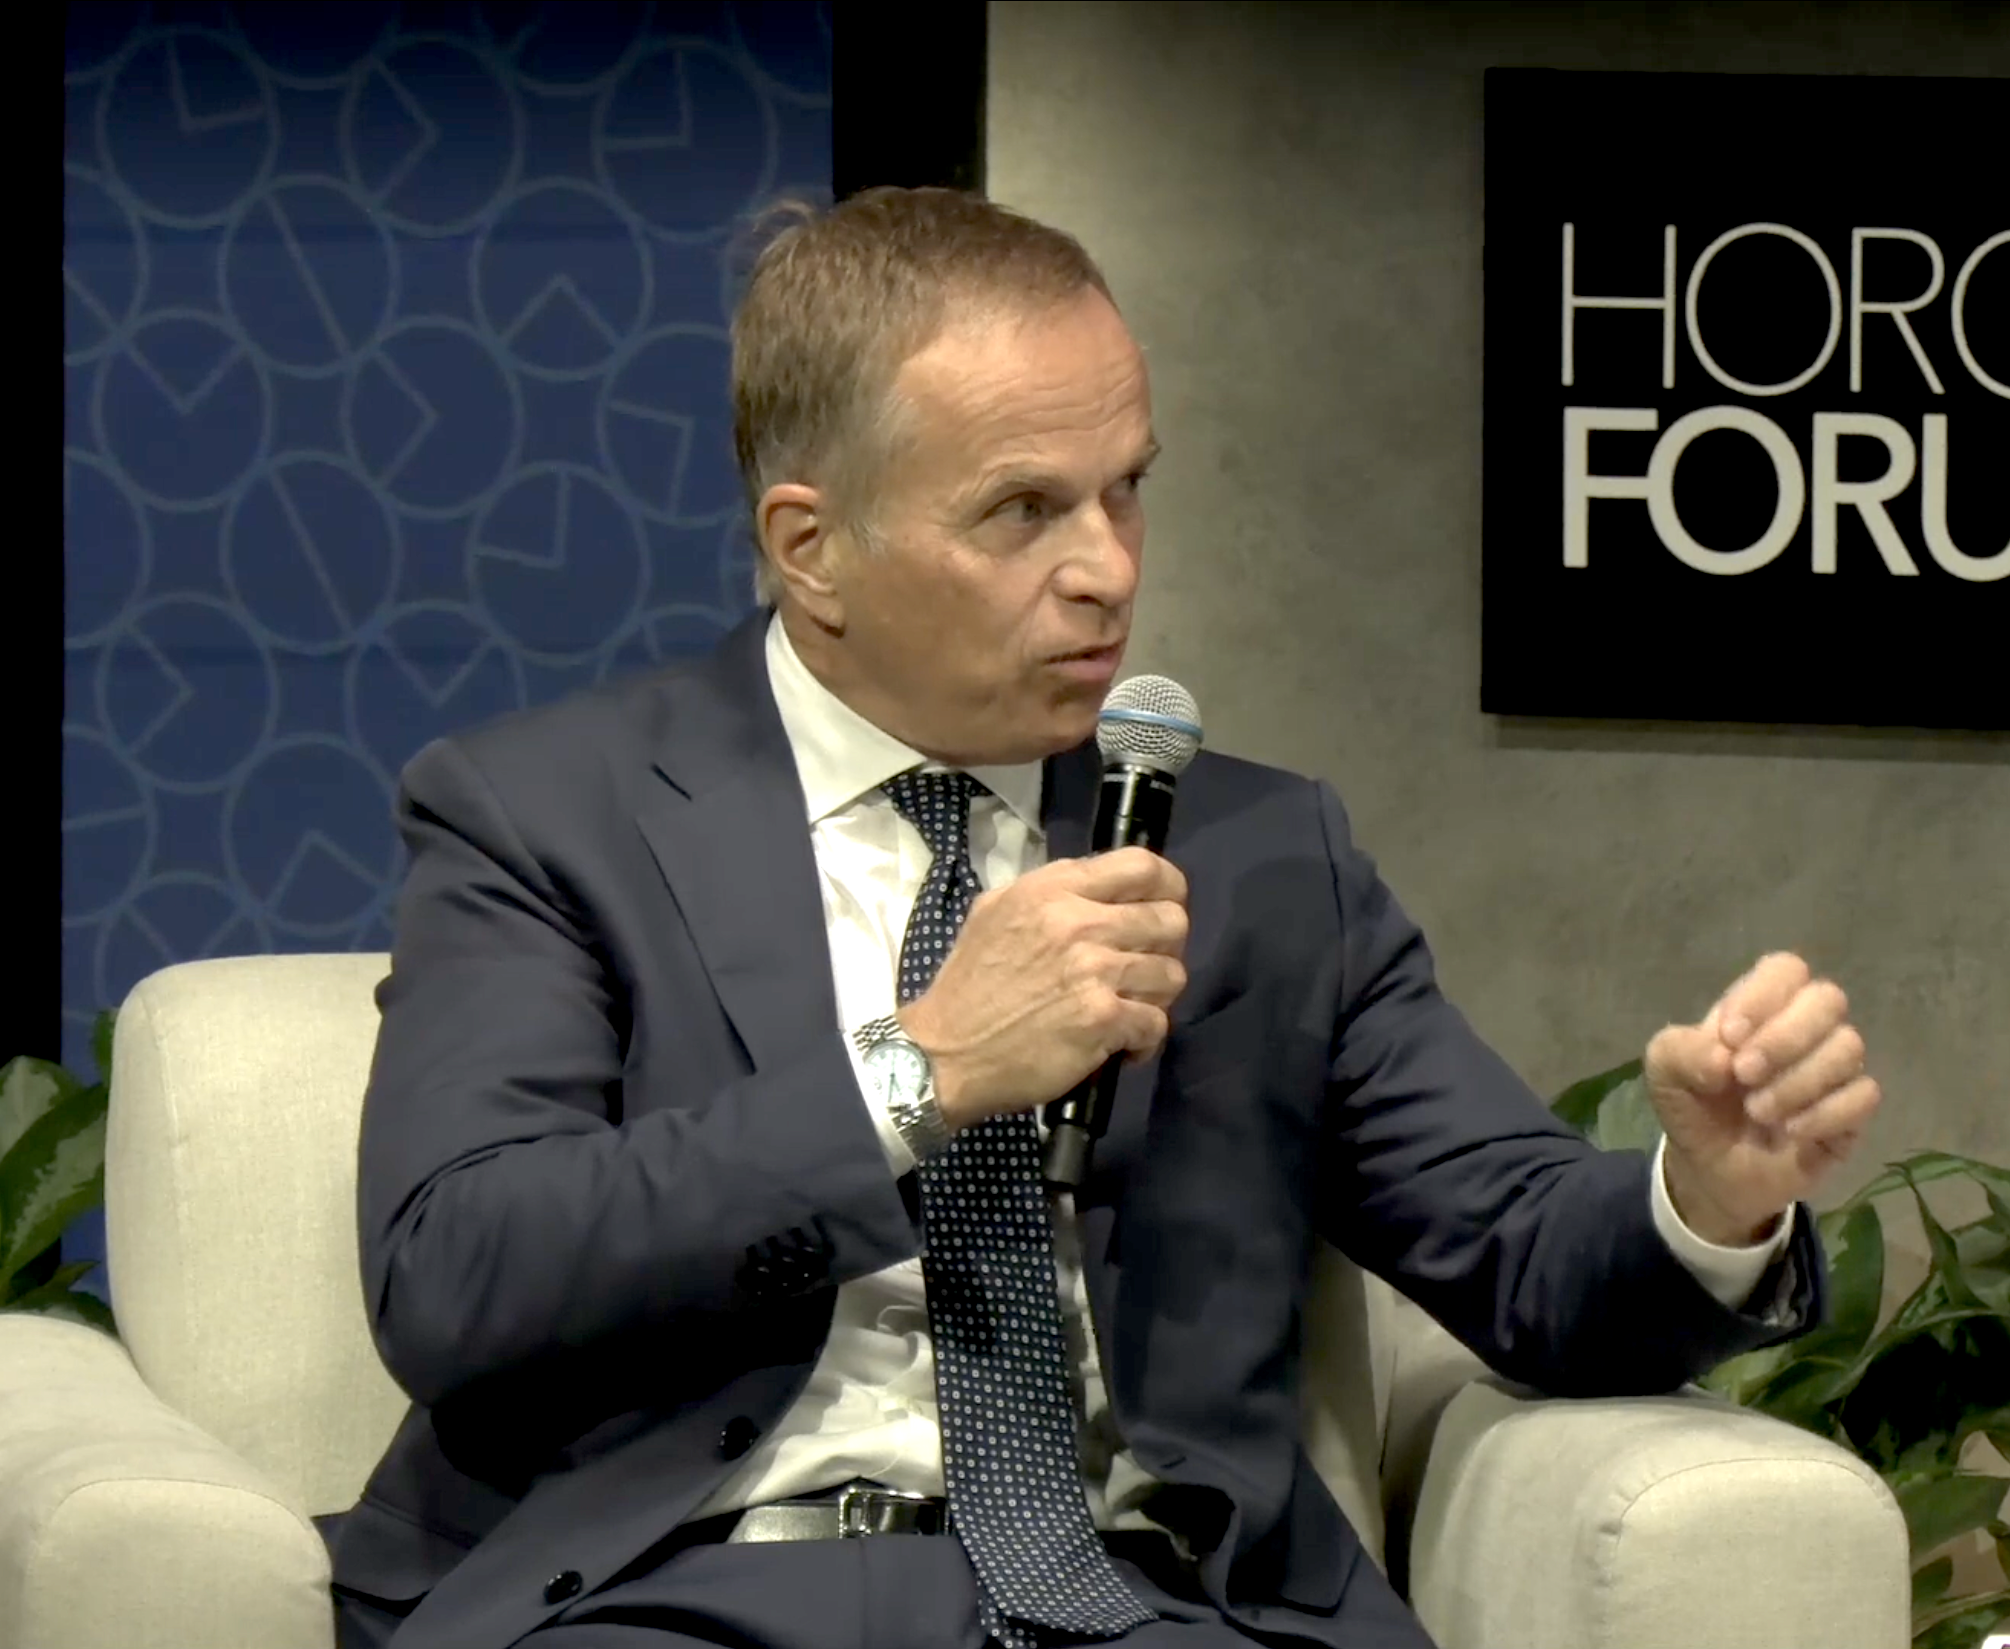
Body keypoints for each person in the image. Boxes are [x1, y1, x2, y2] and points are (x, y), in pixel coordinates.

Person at [329, 188, 1878, 1649]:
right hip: (689, 1593)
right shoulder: (547, 817)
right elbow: (460, 1275)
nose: (1105, 570)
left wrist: (1703, 1199)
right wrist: (921, 1072)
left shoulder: (1262, 856)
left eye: (1125, 488)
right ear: (813, 550)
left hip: (1146, 1604)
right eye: (1021, 511)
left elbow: (1522, 1260)